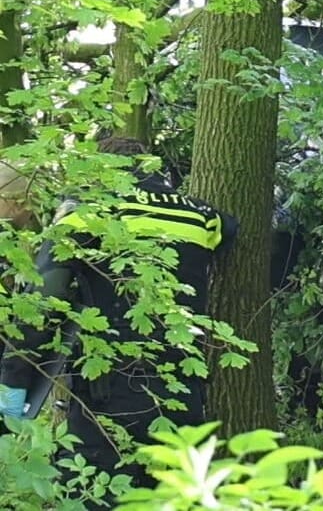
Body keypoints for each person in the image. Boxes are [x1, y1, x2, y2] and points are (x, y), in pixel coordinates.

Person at [0, 136, 236, 484]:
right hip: (182, 392)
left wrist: (13, 379)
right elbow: (229, 227)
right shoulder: (198, 215)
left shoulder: (86, 214)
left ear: (100, 172)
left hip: (108, 396)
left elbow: (43, 303)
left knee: (94, 492)